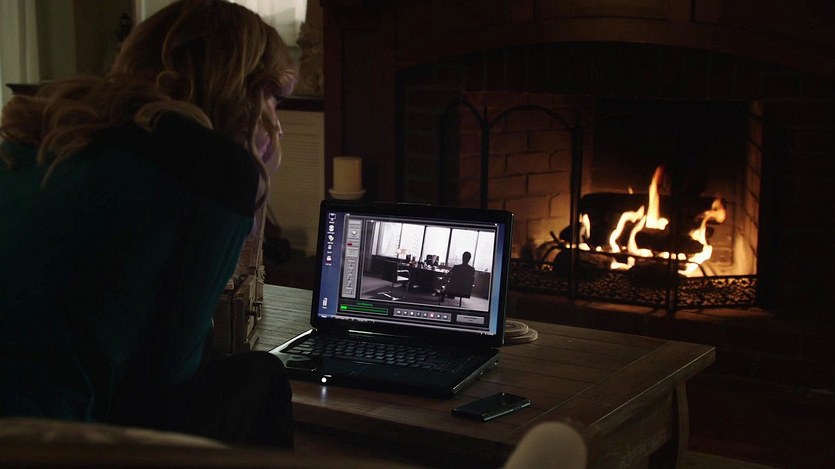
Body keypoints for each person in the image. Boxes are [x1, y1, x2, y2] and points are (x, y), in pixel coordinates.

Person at [0, 0, 296, 448]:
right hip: (49, 436)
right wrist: (251, 185)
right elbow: (168, 374)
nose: (277, 122)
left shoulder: (44, 130)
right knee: (263, 376)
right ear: (247, 91)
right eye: (276, 98)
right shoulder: (213, 167)